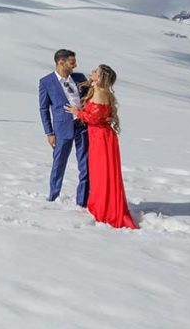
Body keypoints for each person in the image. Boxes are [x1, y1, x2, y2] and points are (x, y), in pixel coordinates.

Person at [65, 65, 138, 229]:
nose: (92, 72)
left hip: (102, 138)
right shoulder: (97, 91)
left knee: (103, 174)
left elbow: (95, 118)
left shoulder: (101, 93)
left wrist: (78, 112)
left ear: (101, 77)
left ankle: (106, 209)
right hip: (98, 137)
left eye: (96, 72)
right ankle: (100, 204)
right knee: (98, 173)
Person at [38, 49, 89, 205]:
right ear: (61, 62)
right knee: (59, 164)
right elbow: (43, 108)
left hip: (82, 127)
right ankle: (53, 197)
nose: (75, 65)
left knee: (85, 165)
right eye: (72, 62)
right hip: (61, 129)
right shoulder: (46, 82)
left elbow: (89, 98)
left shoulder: (80, 78)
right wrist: (49, 132)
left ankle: (82, 201)